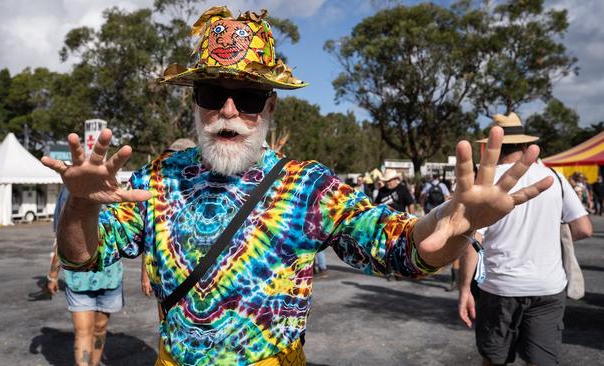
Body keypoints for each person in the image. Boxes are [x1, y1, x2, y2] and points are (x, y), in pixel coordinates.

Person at [42, 7, 552, 365]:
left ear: (269, 107)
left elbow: (398, 247)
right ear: (194, 102)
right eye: (213, 91)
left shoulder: (308, 185)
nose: (228, 111)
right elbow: (83, 256)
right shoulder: (159, 179)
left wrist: (454, 224)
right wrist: (80, 206)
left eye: (248, 96)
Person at [457, 113, 593, 366]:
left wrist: (464, 289)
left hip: (499, 287)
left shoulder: (483, 183)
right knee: (541, 361)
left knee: (494, 359)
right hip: (548, 287)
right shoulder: (554, 178)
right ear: (523, 146)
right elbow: (584, 228)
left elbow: (472, 243)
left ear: (491, 147)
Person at [46, 187, 124, 366]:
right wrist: (52, 274)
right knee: (83, 331)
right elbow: (62, 237)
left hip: (110, 277)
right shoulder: (71, 191)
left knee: (100, 328)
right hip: (79, 279)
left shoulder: (114, 193)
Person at [141, 138, 197, 322]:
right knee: (166, 326)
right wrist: (146, 274)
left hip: (197, 276)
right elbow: (149, 238)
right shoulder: (162, 193)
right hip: (166, 275)